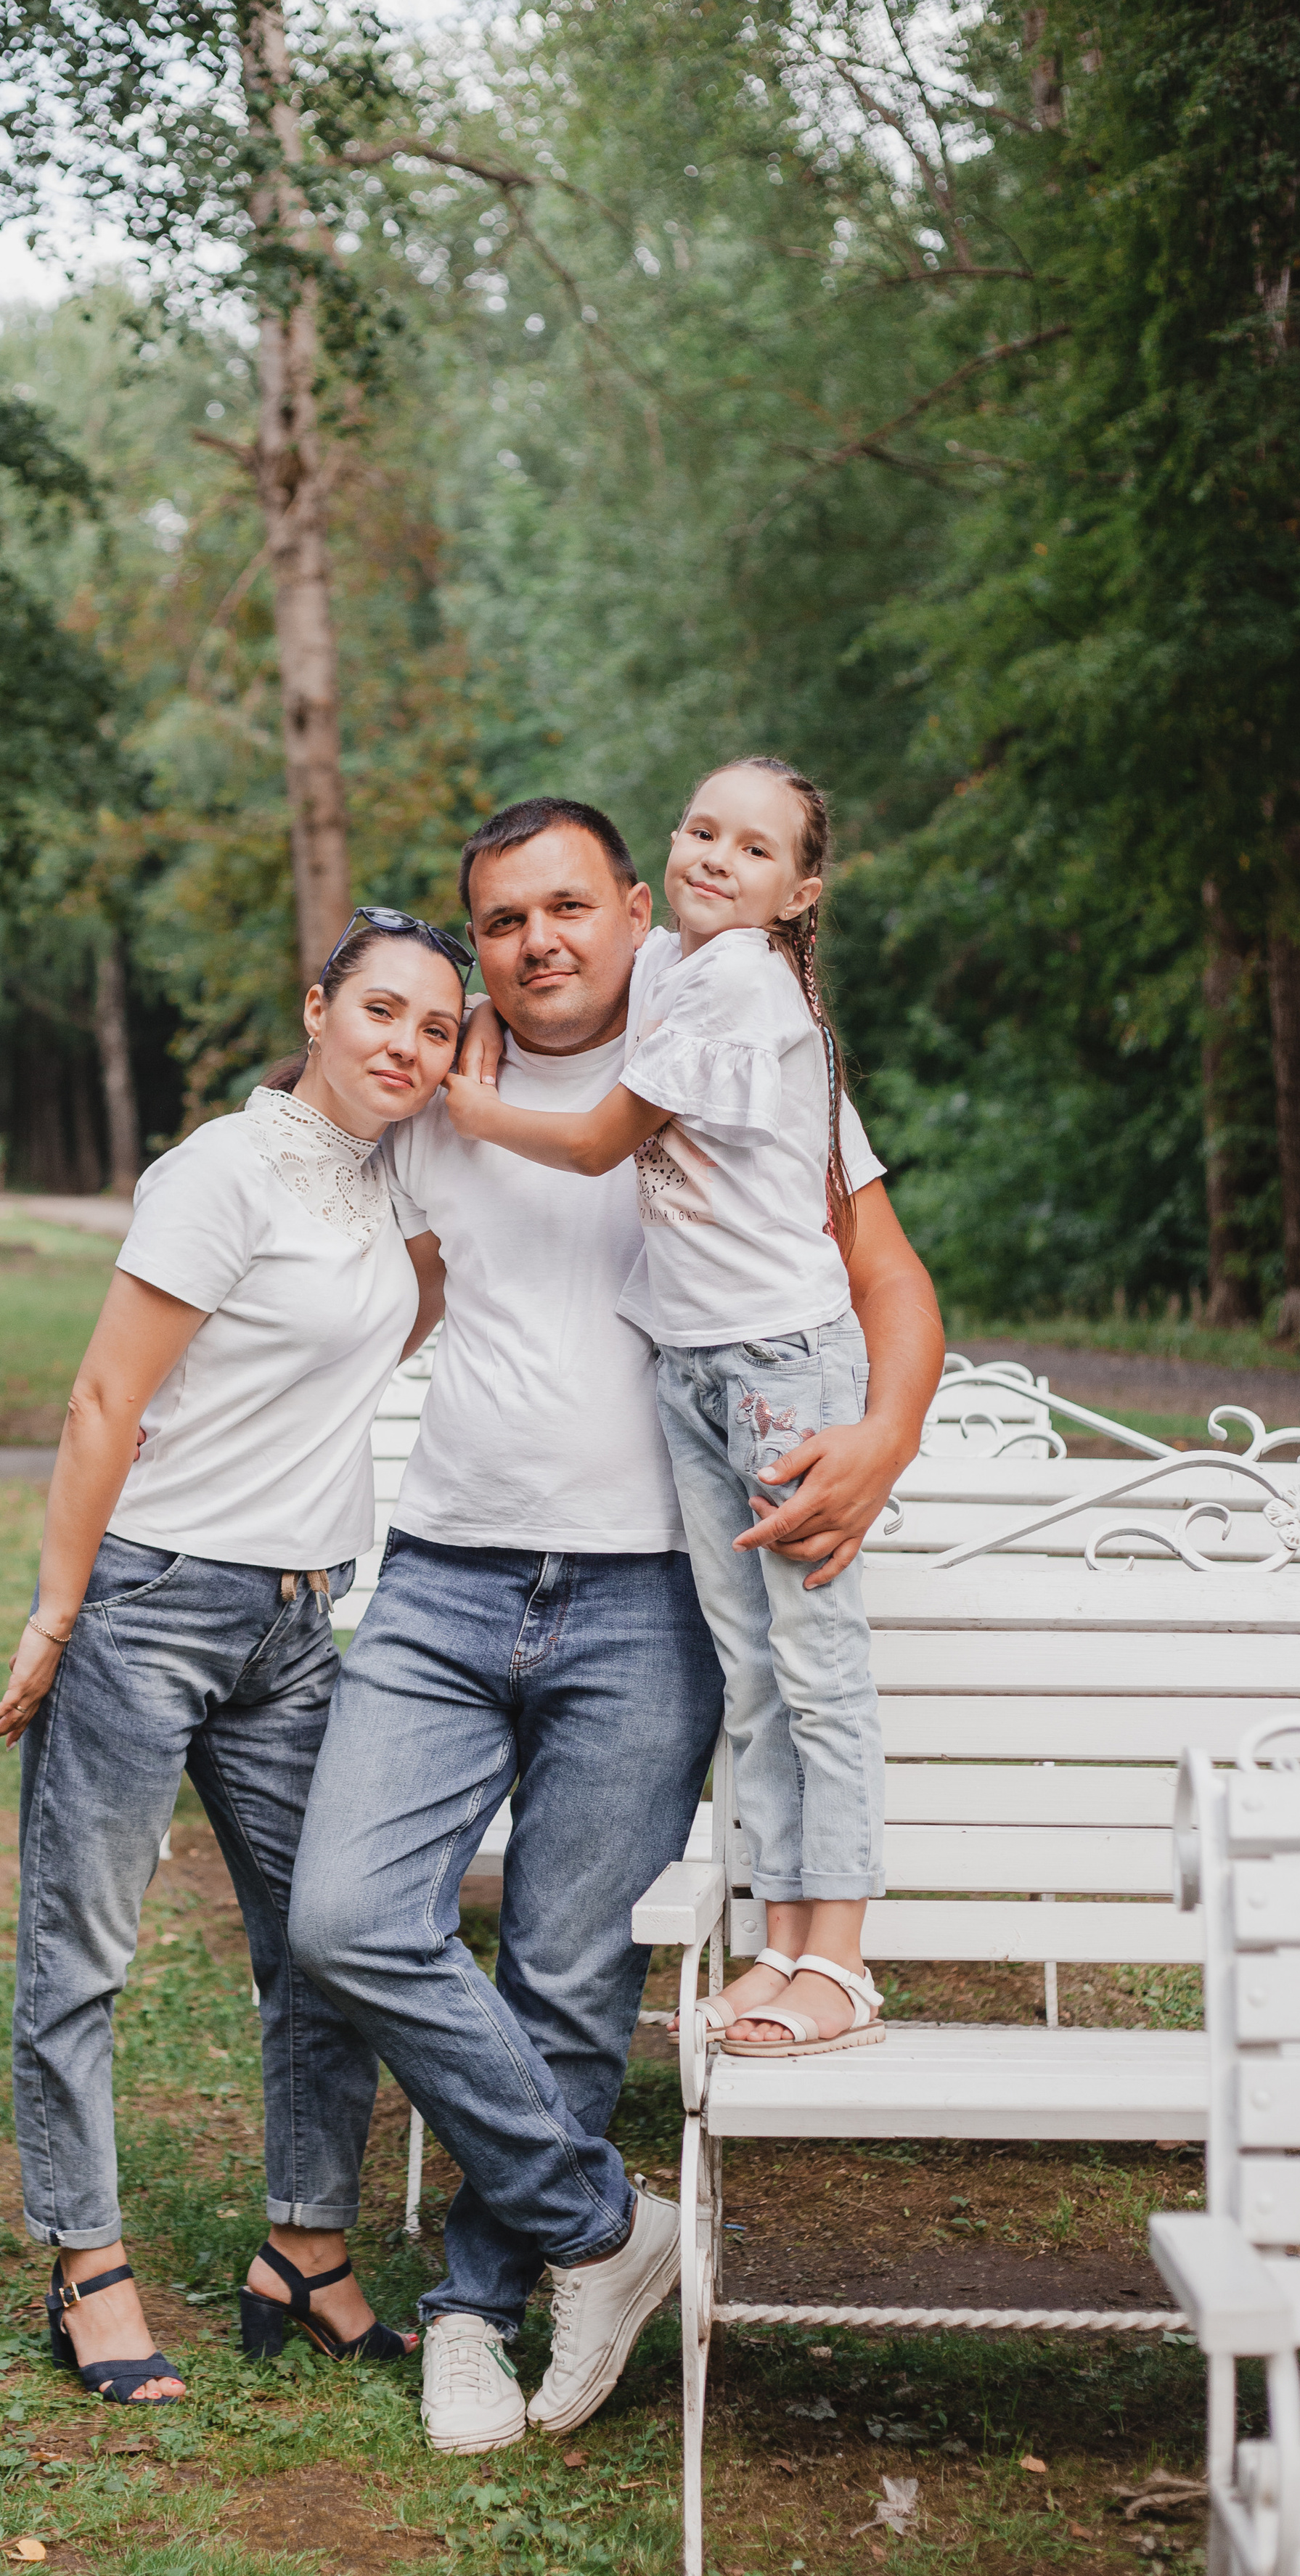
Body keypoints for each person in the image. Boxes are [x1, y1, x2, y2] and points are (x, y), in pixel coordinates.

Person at [290, 797, 942, 2453]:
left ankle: (471, 2308)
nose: (538, 944)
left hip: (650, 1596)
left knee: (569, 1972)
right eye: (502, 922)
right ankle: (607, 2227)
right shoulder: (436, 1077)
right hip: (440, 1579)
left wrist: (880, 1437)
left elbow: (887, 1280)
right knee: (347, 1918)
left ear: (634, 909)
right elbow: (292, 1221)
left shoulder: (729, 1042)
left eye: (567, 907)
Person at [0, 909, 467, 2403]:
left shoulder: (392, 1184)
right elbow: (101, 1402)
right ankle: (87, 2270)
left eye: (439, 1028)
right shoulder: (221, 1170)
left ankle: (302, 2249)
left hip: (299, 1621)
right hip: (150, 1604)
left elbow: (405, 1309)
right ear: (316, 1009)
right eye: (379, 1010)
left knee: (325, 1940)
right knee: (85, 1952)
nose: (406, 1045)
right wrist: (61, 1610)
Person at [444, 757, 891, 2060]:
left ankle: (842, 1959)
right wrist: (477, 1022)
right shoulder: (683, 971)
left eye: (755, 850)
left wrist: (466, 1105)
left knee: (816, 1668)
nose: (716, 856)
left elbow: (595, 1139)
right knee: (753, 1676)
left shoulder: (745, 982)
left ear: (801, 890)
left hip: (776, 1365)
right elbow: (538, 966)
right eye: (702, 829)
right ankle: (782, 1942)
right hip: (695, 1362)